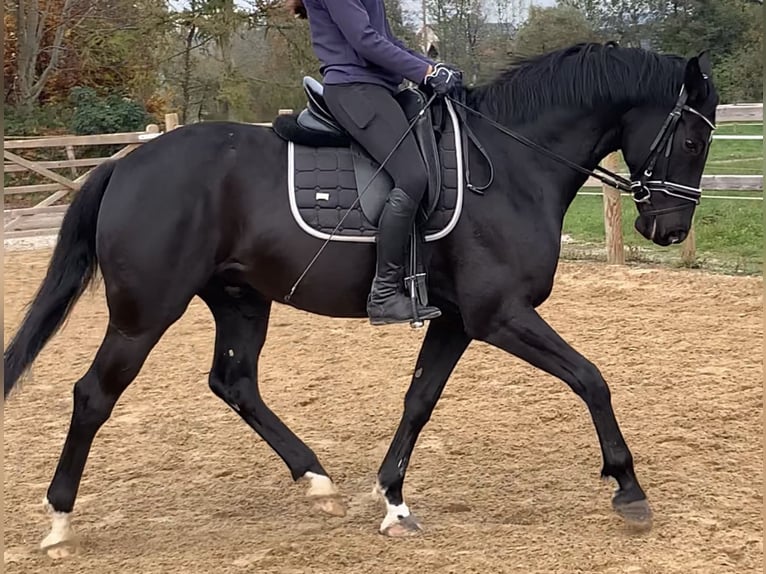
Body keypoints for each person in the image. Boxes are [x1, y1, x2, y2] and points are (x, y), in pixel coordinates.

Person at [287, 0, 463, 326]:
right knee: (411, 177)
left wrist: (433, 67)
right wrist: (424, 73)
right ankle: (383, 294)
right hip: (355, 89)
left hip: (377, 87)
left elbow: (387, 39)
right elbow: (364, 40)